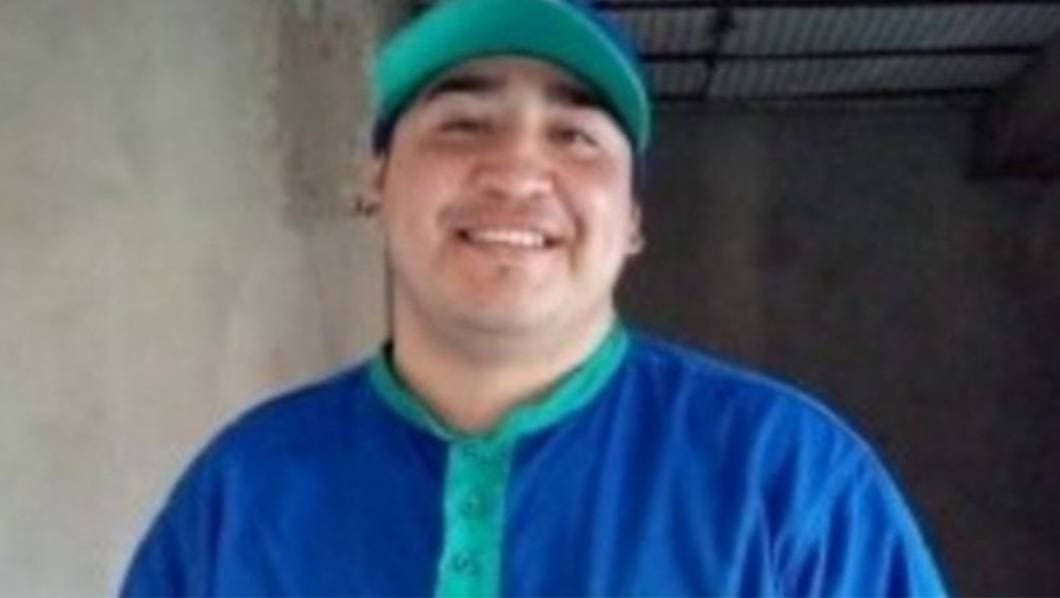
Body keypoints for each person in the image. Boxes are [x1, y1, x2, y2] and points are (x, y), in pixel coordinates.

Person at [121, 0, 948, 595]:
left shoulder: (791, 480)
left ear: (632, 219)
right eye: (463, 123)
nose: (517, 171)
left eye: (575, 136)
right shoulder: (243, 489)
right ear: (377, 183)